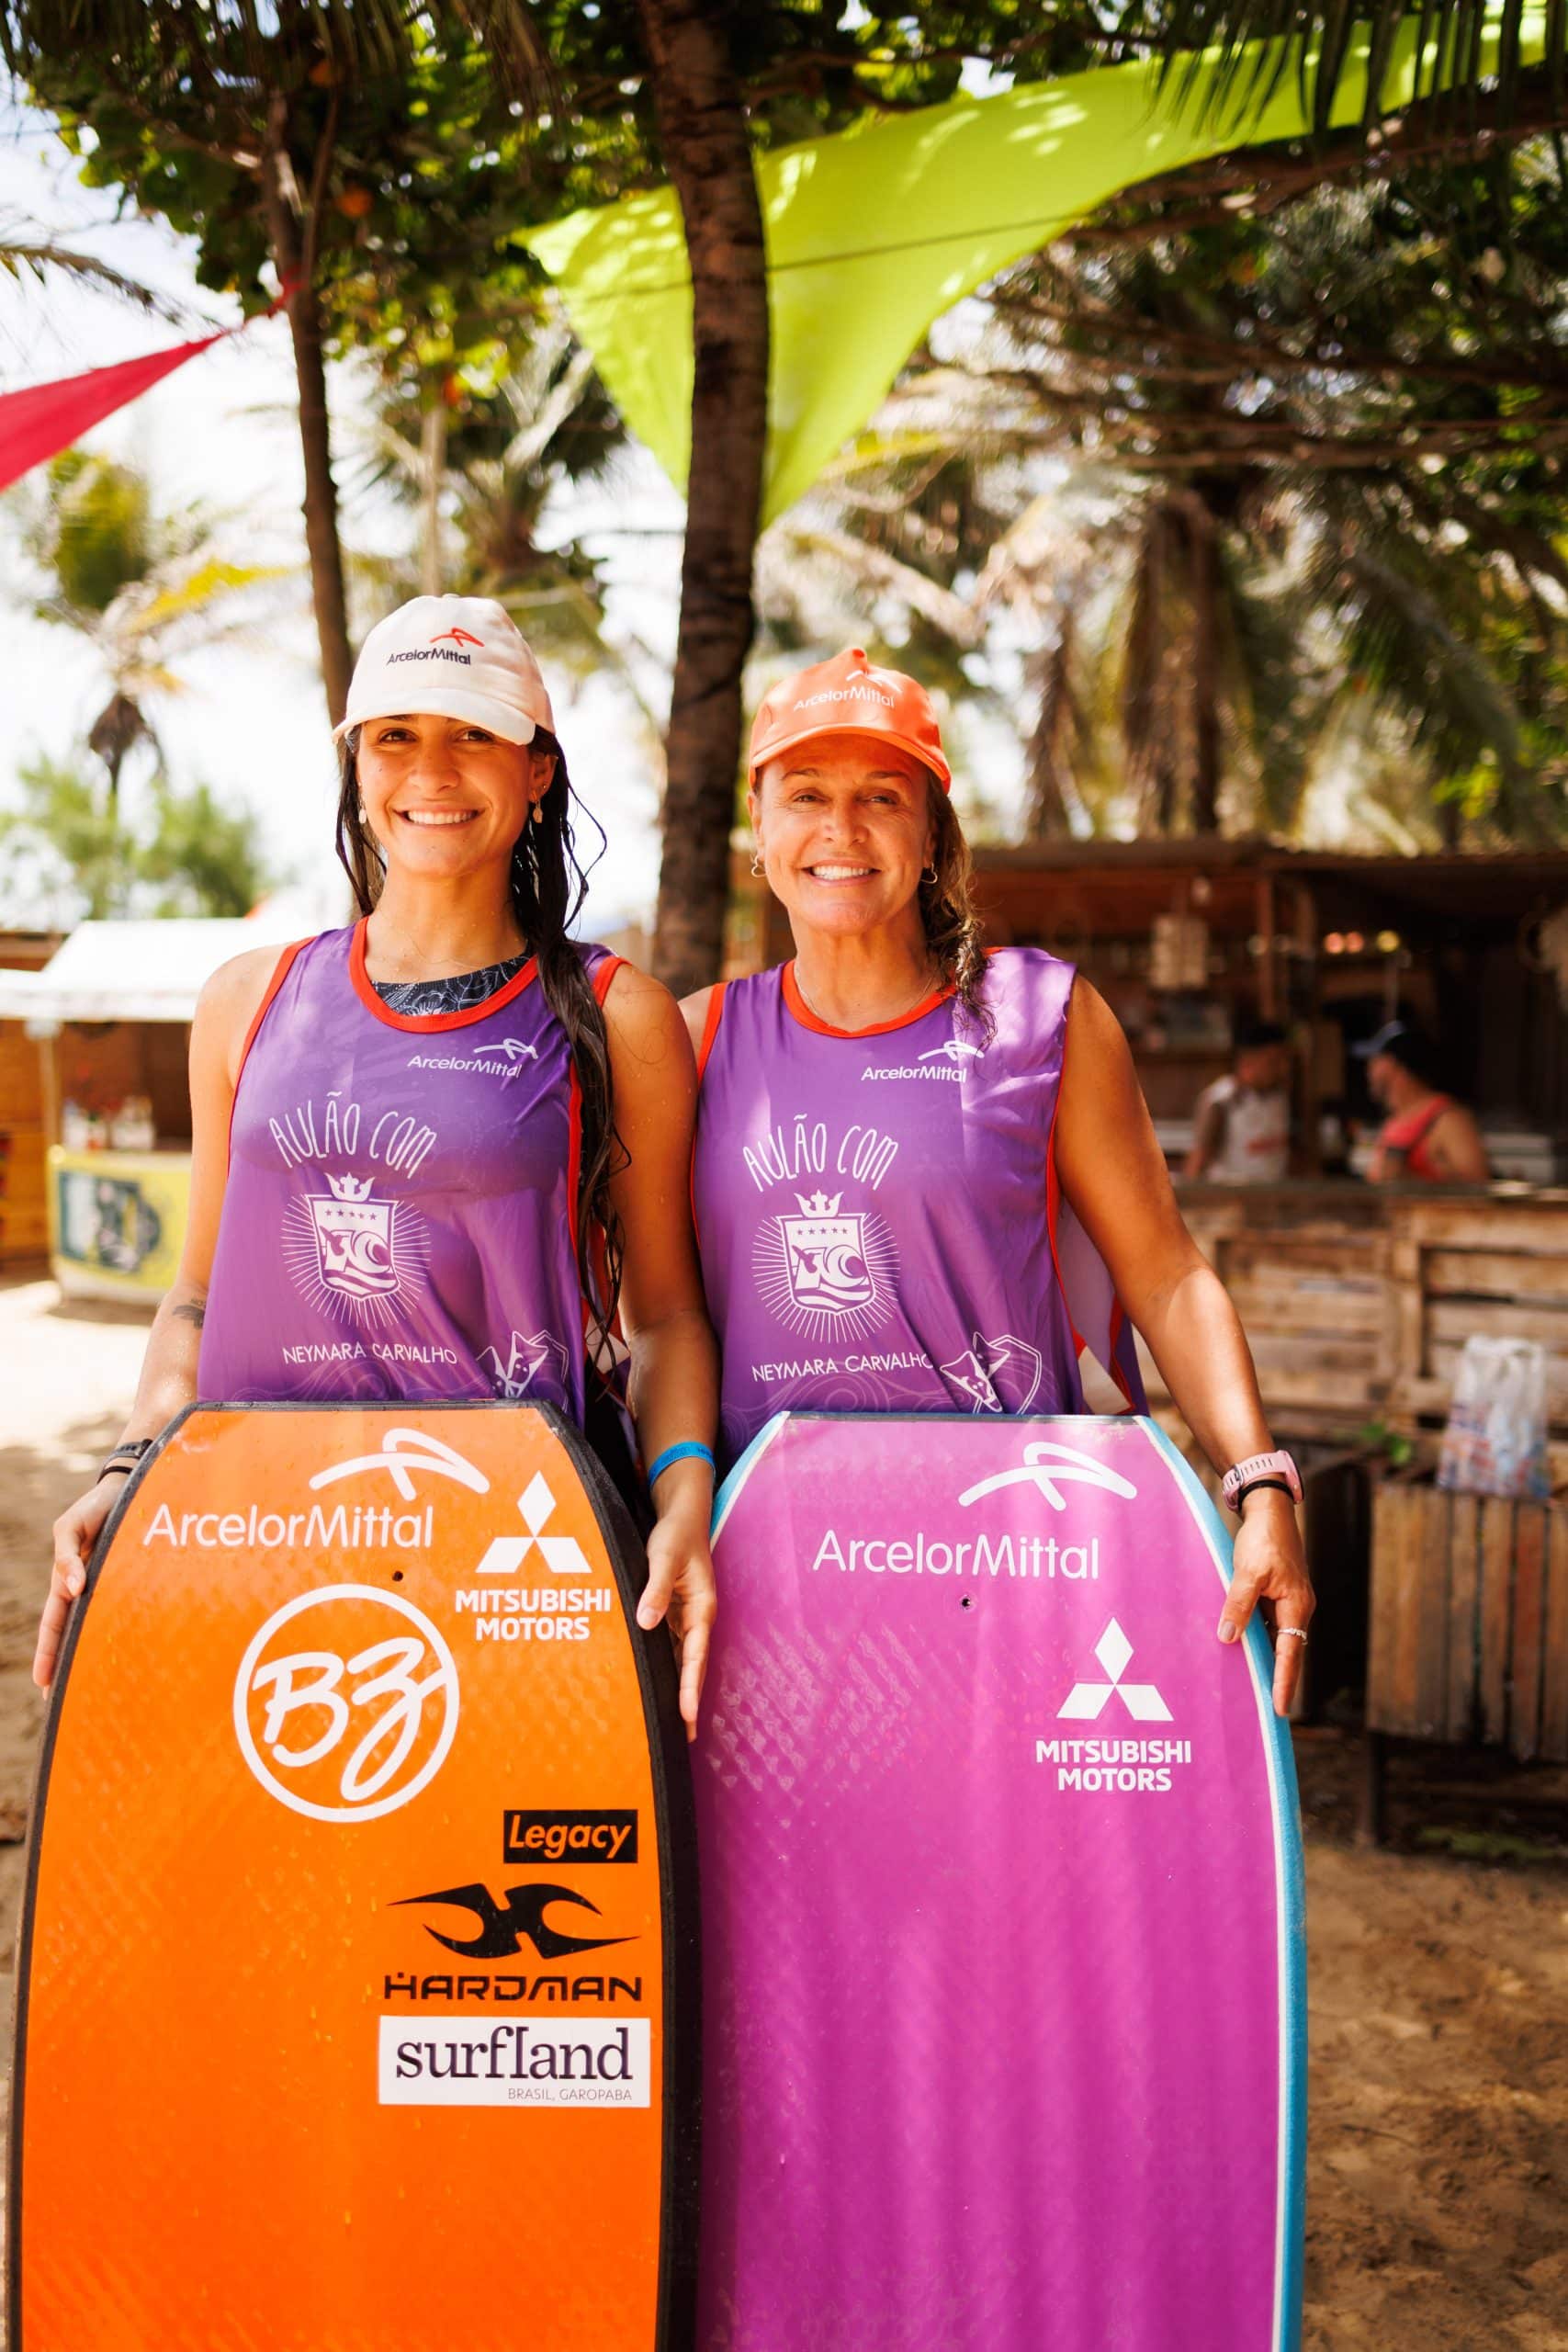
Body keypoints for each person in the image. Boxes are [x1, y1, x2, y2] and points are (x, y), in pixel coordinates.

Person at [39, 595, 718, 1728]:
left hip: (510, 1557)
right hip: (258, 1532)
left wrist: (684, 1494)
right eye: (396, 734)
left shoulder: (615, 1015)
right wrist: (125, 1468)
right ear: (356, 764)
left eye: (473, 733)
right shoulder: (247, 1000)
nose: (432, 770)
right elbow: (195, 1297)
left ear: (537, 768)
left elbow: (664, 1319)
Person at [682, 647, 1313, 1712]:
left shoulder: (1039, 1021)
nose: (842, 830)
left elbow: (1164, 1273)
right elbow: (659, 1319)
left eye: (882, 797)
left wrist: (1259, 1481)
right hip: (768, 1573)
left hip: (1008, 1560)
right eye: (808, 795)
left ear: (932, 833)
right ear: (760, 825)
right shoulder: (696, 1041)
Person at [1358, 1017, 1489, 1184]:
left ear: (1397, 1065)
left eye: (1375, 1060)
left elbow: (1478, 1186)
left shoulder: (1448, 1120)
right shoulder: (1395, 1119)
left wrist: (1410, 1179)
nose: (1369, 1070)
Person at [1184, 1020, 1292, 1182]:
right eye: (1273, 1061)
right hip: (1230, 1194)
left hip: (1273, 1194)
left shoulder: (1280, 1098)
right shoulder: (1222, 1100)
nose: (1283, 1069)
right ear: (1248, 1061)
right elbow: (1197, 1162)